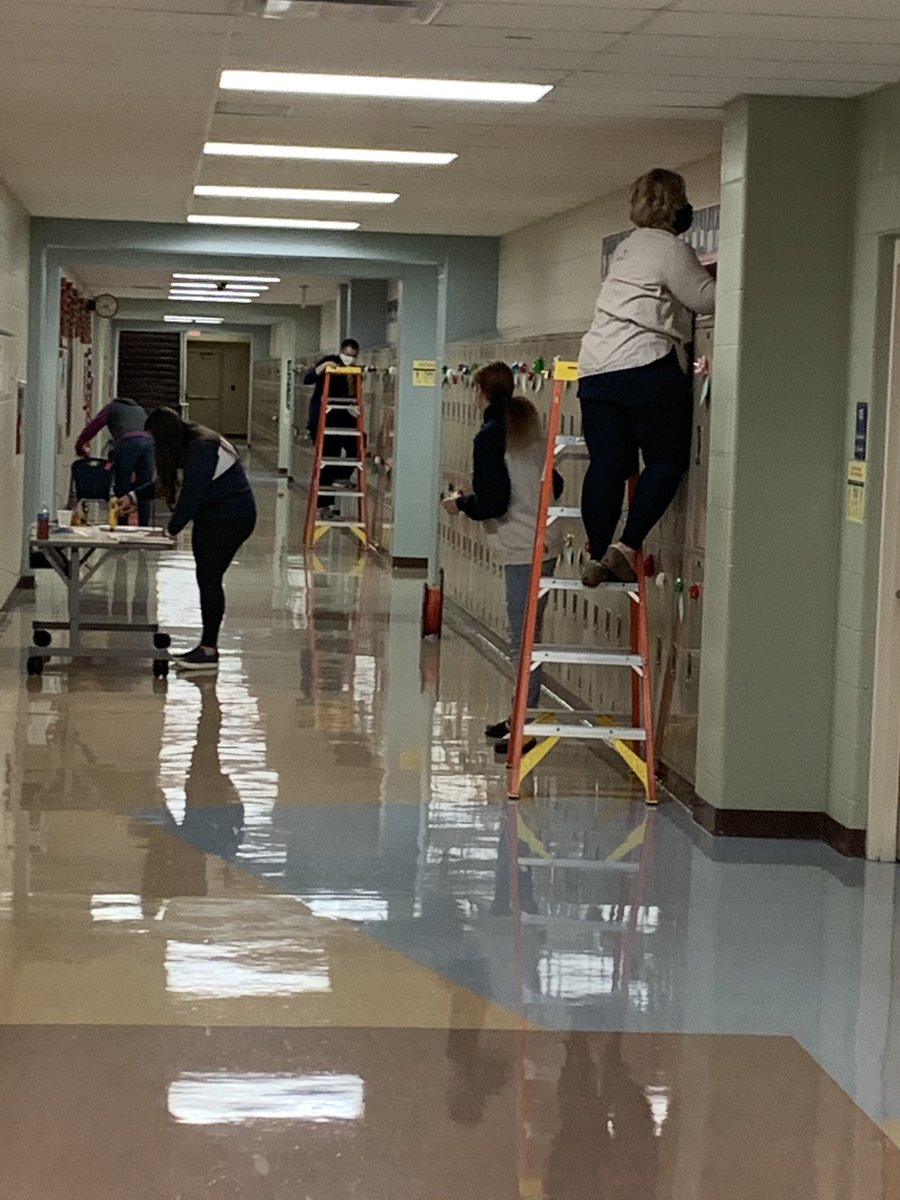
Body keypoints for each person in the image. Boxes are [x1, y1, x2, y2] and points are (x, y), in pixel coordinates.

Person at [578, 167, 716, 586]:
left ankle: (595, 553)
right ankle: (626, 546)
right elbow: (704, 298)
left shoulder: (628, 248)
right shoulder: (669, 247)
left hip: (597, 368)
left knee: (607, 464)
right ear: (676, 205)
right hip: (644, 365)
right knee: (666, 459)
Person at [442, 362, 563, 755]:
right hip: (545, 540)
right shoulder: (529, 429)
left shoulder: (491, 435)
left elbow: (494, 500)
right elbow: (555, 484)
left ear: (481, 391)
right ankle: (520, 715)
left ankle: (525, 724)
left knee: (523, 640)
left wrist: (461, 504)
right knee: (529, 636)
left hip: (521, 543)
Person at [119, 407, 256, 672]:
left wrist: (170, 531)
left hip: (230, 518)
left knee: (209, 578)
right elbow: (169, 483)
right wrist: (135, 497)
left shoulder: (203, 448)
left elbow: (192, 494)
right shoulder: (191, 442)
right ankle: (207, 647)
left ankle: (209, 650)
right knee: (207, 578)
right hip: (216, 516)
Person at [75, 395, 156, 525]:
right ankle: (144, 527)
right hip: (149, 443)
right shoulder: (139, 409)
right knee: (143, 488)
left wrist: (80, 445)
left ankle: (122, 525)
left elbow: (94, 426)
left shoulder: (111, 408)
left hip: (127, 442)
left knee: (122, 486)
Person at [303, 337, 361, 500]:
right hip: (322, 417)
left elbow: (353, 393)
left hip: (341, 415)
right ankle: (324, 505)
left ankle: (341, 476)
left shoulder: (353, 370)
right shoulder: (330, 362)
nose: (349, 358)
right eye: (347, 354)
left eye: (353, 355)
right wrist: (323, 367)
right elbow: (308, 379)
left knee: (358, 442)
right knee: (328, 456)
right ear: (341, 352)